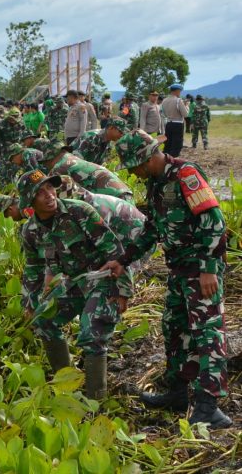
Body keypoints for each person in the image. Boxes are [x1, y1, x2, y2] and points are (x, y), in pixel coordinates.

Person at [101, 130, 231, 428]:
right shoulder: (156, 184)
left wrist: (209, 267)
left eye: (132, 166)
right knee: (174, 327)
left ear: (145, 159)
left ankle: (209, 407)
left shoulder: (186, 174)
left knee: (208, 333)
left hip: (201, 271)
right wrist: (123, 260)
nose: (132, 173)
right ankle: (177, 392)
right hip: (178, 271)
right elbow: (152, 229)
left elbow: (214, 222)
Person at [17, 169, 124, 399]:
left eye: (50, 188)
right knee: (43, 321)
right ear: (29, 202)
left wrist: (122, 290)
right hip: (74, 284)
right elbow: (33, 268)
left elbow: (115, 252)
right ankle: (67, 387)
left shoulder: (79, 211)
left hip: (102, 280)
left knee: (91, 331)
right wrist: (29, 303)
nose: (49, 195)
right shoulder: (30, 231)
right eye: (40, 192)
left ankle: (97, 401)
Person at [41, 141, 134, 202]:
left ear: (49, 159)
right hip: (124, 195)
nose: (46, 166)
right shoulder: (72, 159)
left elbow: (55, 201)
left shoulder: (60, 168)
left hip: (115, 200)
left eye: (45, 163)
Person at [161, 83, 188, 157]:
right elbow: (185, 114)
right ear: (176, 91)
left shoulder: (164, 100)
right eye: (179, 91)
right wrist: (186, 106)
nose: (180, 93)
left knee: (168, 144)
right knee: (177, 144)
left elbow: (163, 113)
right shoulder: (178, 100)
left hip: (168, 124)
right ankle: (173, 160)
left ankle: (165, 159)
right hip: (178, 124)